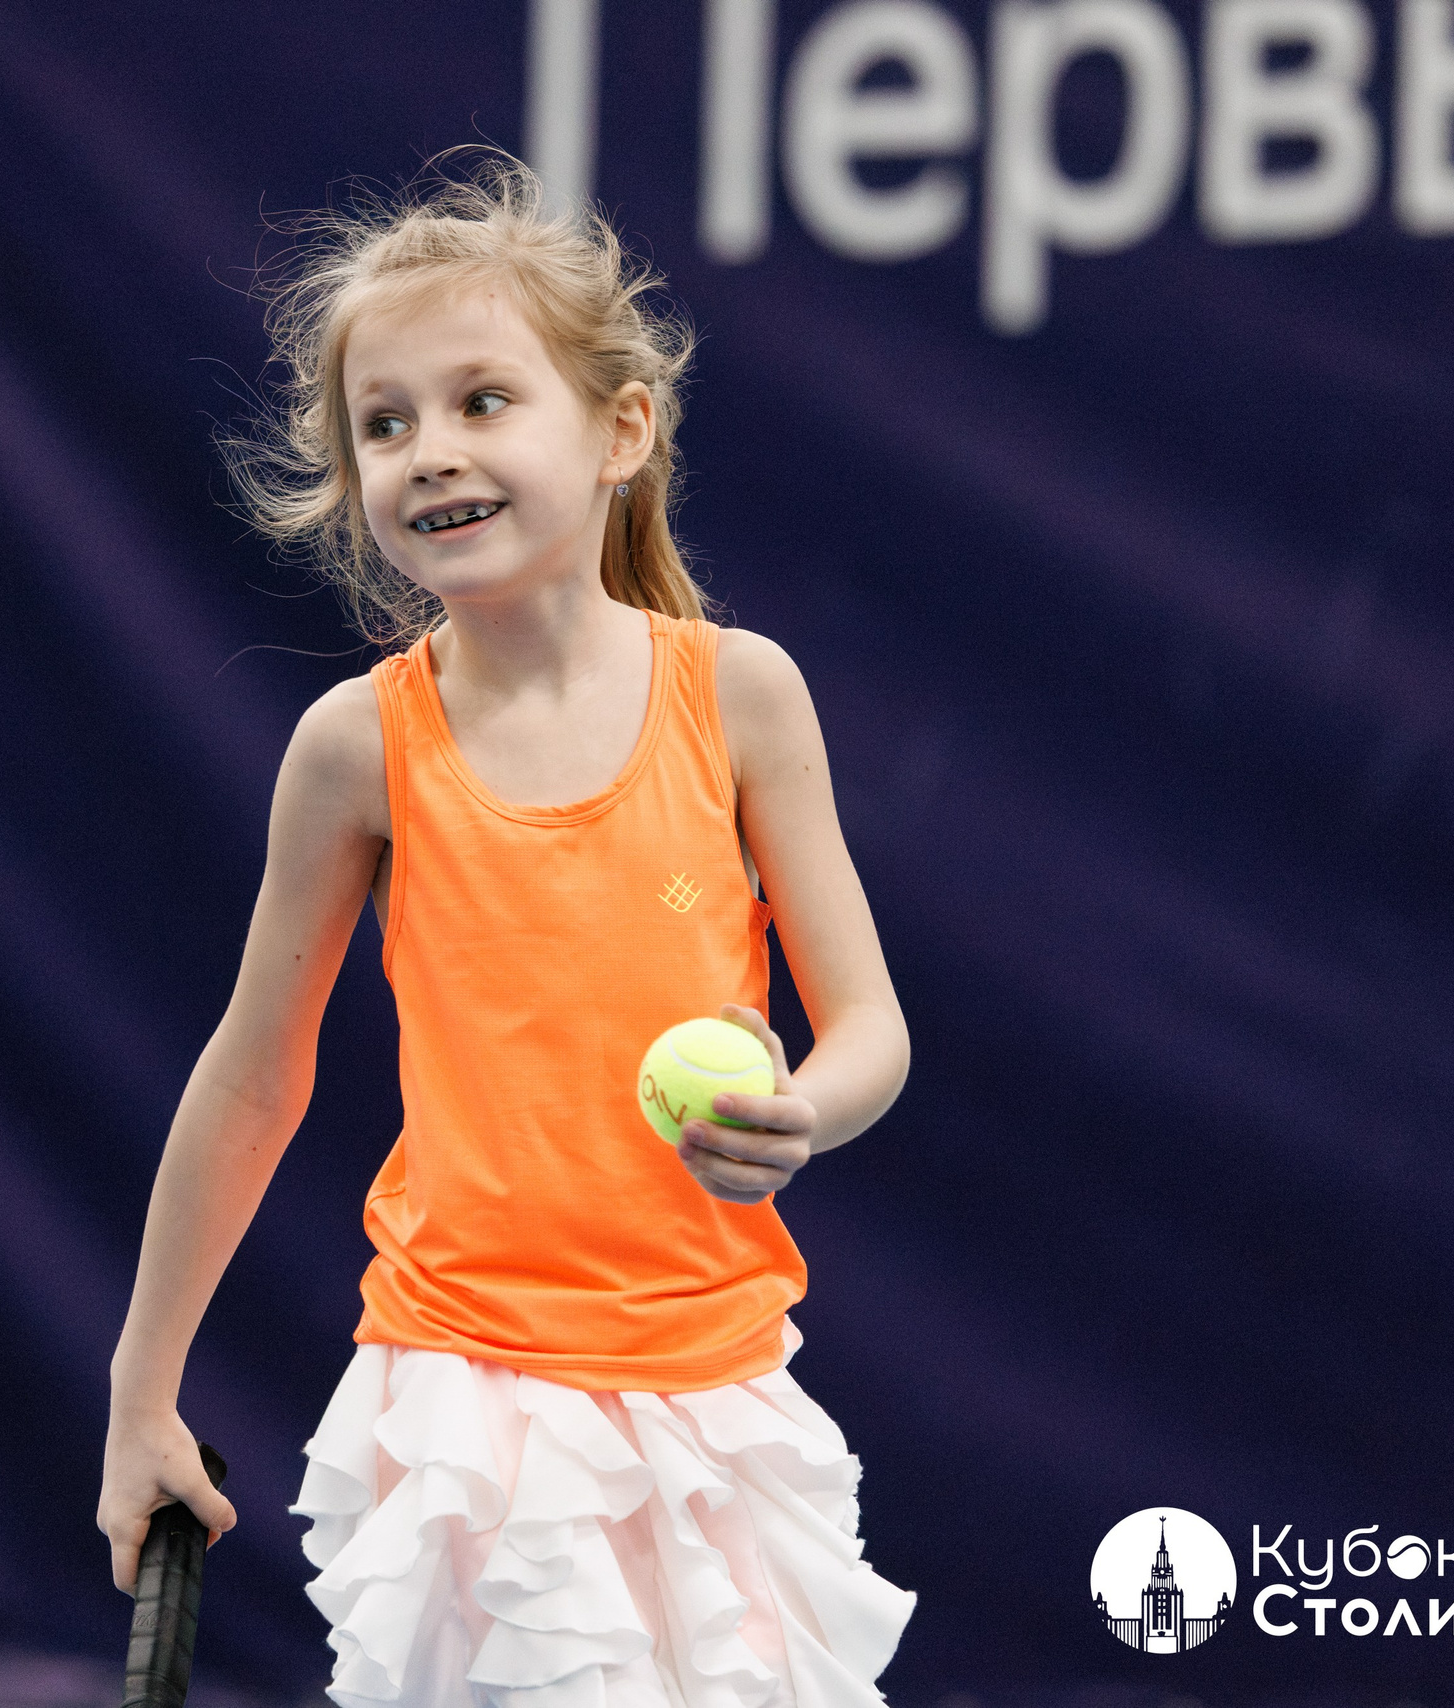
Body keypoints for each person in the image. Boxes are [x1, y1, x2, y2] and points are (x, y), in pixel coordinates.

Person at [98, 152, 917, 1708]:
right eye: (385, 423)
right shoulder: (353, 748)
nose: (429, 452)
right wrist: (144, 1392)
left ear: (621, 429)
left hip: (724, 1395)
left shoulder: (742, 694)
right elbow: (253, 1079)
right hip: (464, 1403)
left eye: (484, 401)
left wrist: (801, 1108)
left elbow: (868, 1026)